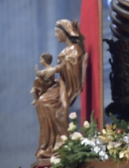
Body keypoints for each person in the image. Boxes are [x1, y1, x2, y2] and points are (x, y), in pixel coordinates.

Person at [35, 19, 86, 159]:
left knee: (47, 104)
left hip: (67, 86)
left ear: (65, 32)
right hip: (61, 83)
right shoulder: (65, 50)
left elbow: (72, 67)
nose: (55, 35)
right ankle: (47, 145)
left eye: (57, 32)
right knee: (41, 102)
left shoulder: (75, 49)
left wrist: (55, 69)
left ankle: (59, 142)